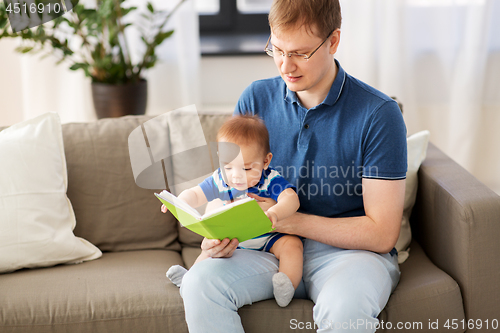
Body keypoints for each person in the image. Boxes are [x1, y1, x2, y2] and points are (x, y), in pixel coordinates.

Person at [179, 0, 407, 332]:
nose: (286, 66)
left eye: (300, 53)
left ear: (333, 41)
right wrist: (221, 234)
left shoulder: (379, 115)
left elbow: (382, 234)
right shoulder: (255, 100)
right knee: (200, 284)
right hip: (264, 247)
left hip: (350, 255)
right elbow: (233, 185)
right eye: (277, 49)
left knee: (345, 312)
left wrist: (290, 220)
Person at [163, 115, 303, 307]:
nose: (236, 176)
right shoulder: (220, 179)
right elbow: (195, 194)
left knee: (293, 246)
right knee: (209, 248)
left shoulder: (270, 180)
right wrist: (178, 202)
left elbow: (291, 198)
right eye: (228, 166)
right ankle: (189, 278)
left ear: (265, 161)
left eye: (246, 168)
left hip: (268, 239)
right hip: (233, 241)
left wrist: (275, 212)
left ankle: (286, 284)